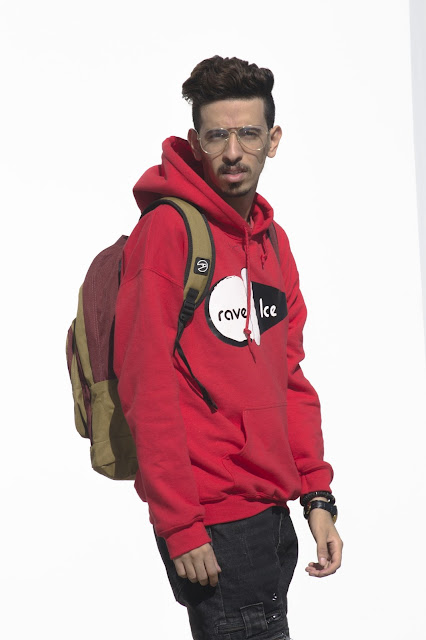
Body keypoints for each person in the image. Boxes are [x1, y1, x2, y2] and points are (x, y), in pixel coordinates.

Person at [113, 55, 343, 640]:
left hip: (272, 514)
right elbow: (145, 384)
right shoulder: (167, 233)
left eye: (248, 134)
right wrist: (180, 524)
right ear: (196, 142)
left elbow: (288, 377)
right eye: (217, 136)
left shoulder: (273, 243)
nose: (234, 152)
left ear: (273, 140)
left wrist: (316, 495)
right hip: (213, 522)